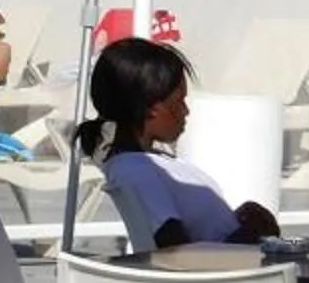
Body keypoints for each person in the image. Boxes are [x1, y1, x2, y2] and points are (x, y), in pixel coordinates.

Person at [76, 37, 276, 248]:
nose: (186, 111)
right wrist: (252, 230)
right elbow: (176, 255)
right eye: (178, 101)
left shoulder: (148, 163)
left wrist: (238, 222)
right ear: (151, 107)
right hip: (230, 276)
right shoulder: (136, 170)